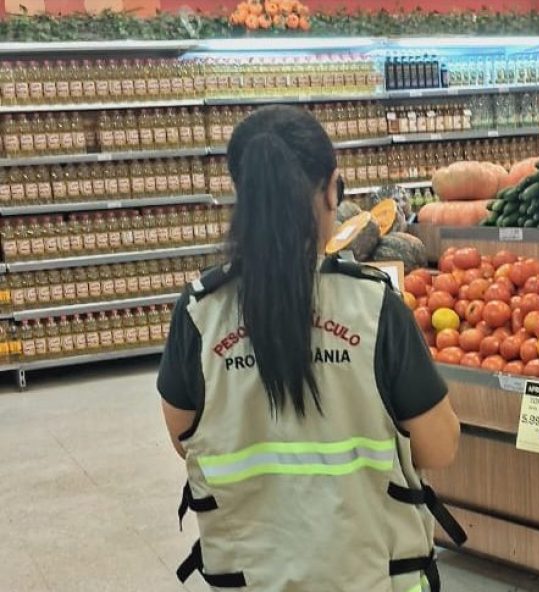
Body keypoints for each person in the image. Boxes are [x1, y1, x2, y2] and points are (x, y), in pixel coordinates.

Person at [157, 105, 464, 592]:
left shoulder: (200, 313)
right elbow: (439, 446)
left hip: (250, 578)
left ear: (242, 195)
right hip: (375, 578)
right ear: (330, 190)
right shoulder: (372, 306)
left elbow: (185, 439)